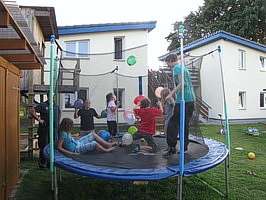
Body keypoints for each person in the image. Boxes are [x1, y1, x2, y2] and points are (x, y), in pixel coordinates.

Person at [164, 53, 195, 156]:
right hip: (190, 100)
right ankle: (184, 148)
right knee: (184, 124)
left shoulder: (176, 68)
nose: (167, 65)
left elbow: (182, 84)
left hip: (184, 100)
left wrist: (170, 94)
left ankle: (172, 147)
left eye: (167, 63)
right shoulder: (183, 67)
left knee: (173, 123)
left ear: (171, 60)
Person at [29, 94, 61, 168]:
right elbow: (32, 111)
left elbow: (59, 114)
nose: (51, 97)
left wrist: (58, 124)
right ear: (48, 96)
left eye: (52, 96)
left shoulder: (56, 106)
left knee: (52, 146)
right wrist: (39, 120)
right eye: (50, 96)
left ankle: (50, 163)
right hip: (44, 130)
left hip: (54, 130)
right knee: (44, 146)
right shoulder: (43, 105)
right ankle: (42, 163)